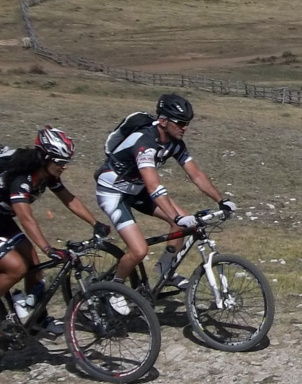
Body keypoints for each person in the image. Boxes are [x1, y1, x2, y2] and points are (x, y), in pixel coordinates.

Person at [0, 127, 108, 341]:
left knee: (34, 265)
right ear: (45, 158)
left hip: (0, 222)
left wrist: (95, 223)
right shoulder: (21, 179)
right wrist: (48, 248)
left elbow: (69, 199)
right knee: (16, 268)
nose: (63, 166)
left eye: (66, 162)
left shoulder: (47, 174)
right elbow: (26, 217)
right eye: (59, 161)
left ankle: (38, 318)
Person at [94, 93, 235, 293]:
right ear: (163, 121)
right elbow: (153, 186)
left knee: (181, 224)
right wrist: (175, 215)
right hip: (113, 193)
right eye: (180, 123)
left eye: (187, 123)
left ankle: (165, 271)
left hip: (136, 189)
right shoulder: (144, 142)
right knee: (139, 250)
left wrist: (222, 200)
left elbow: (195, 174)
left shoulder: (175, 143)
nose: (184, 127)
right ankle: (114, 289)